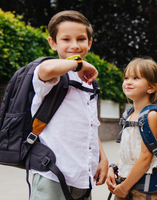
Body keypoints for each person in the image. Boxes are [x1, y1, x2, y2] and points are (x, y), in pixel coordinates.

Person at [30, 10, 108, 200]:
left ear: (89, 43)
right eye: (66, 39)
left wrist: (102, 158)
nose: (74, 45)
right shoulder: (51, 74)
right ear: (53, 43)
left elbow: (89, 124)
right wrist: (79, 64)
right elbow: (47, 68)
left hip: (82, 175)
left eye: (81, 39)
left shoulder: (89, 82)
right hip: (53, 174)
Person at [106, 57, 157, 200]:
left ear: (151, 87)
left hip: (146, 189)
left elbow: (146, 158)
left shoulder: (151, 116)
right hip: (125, 183)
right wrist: (113, 167)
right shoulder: (128, 115)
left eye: (136, 78)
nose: (128, 81)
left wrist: (124, 187)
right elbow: (132, 154)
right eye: (126, 77)